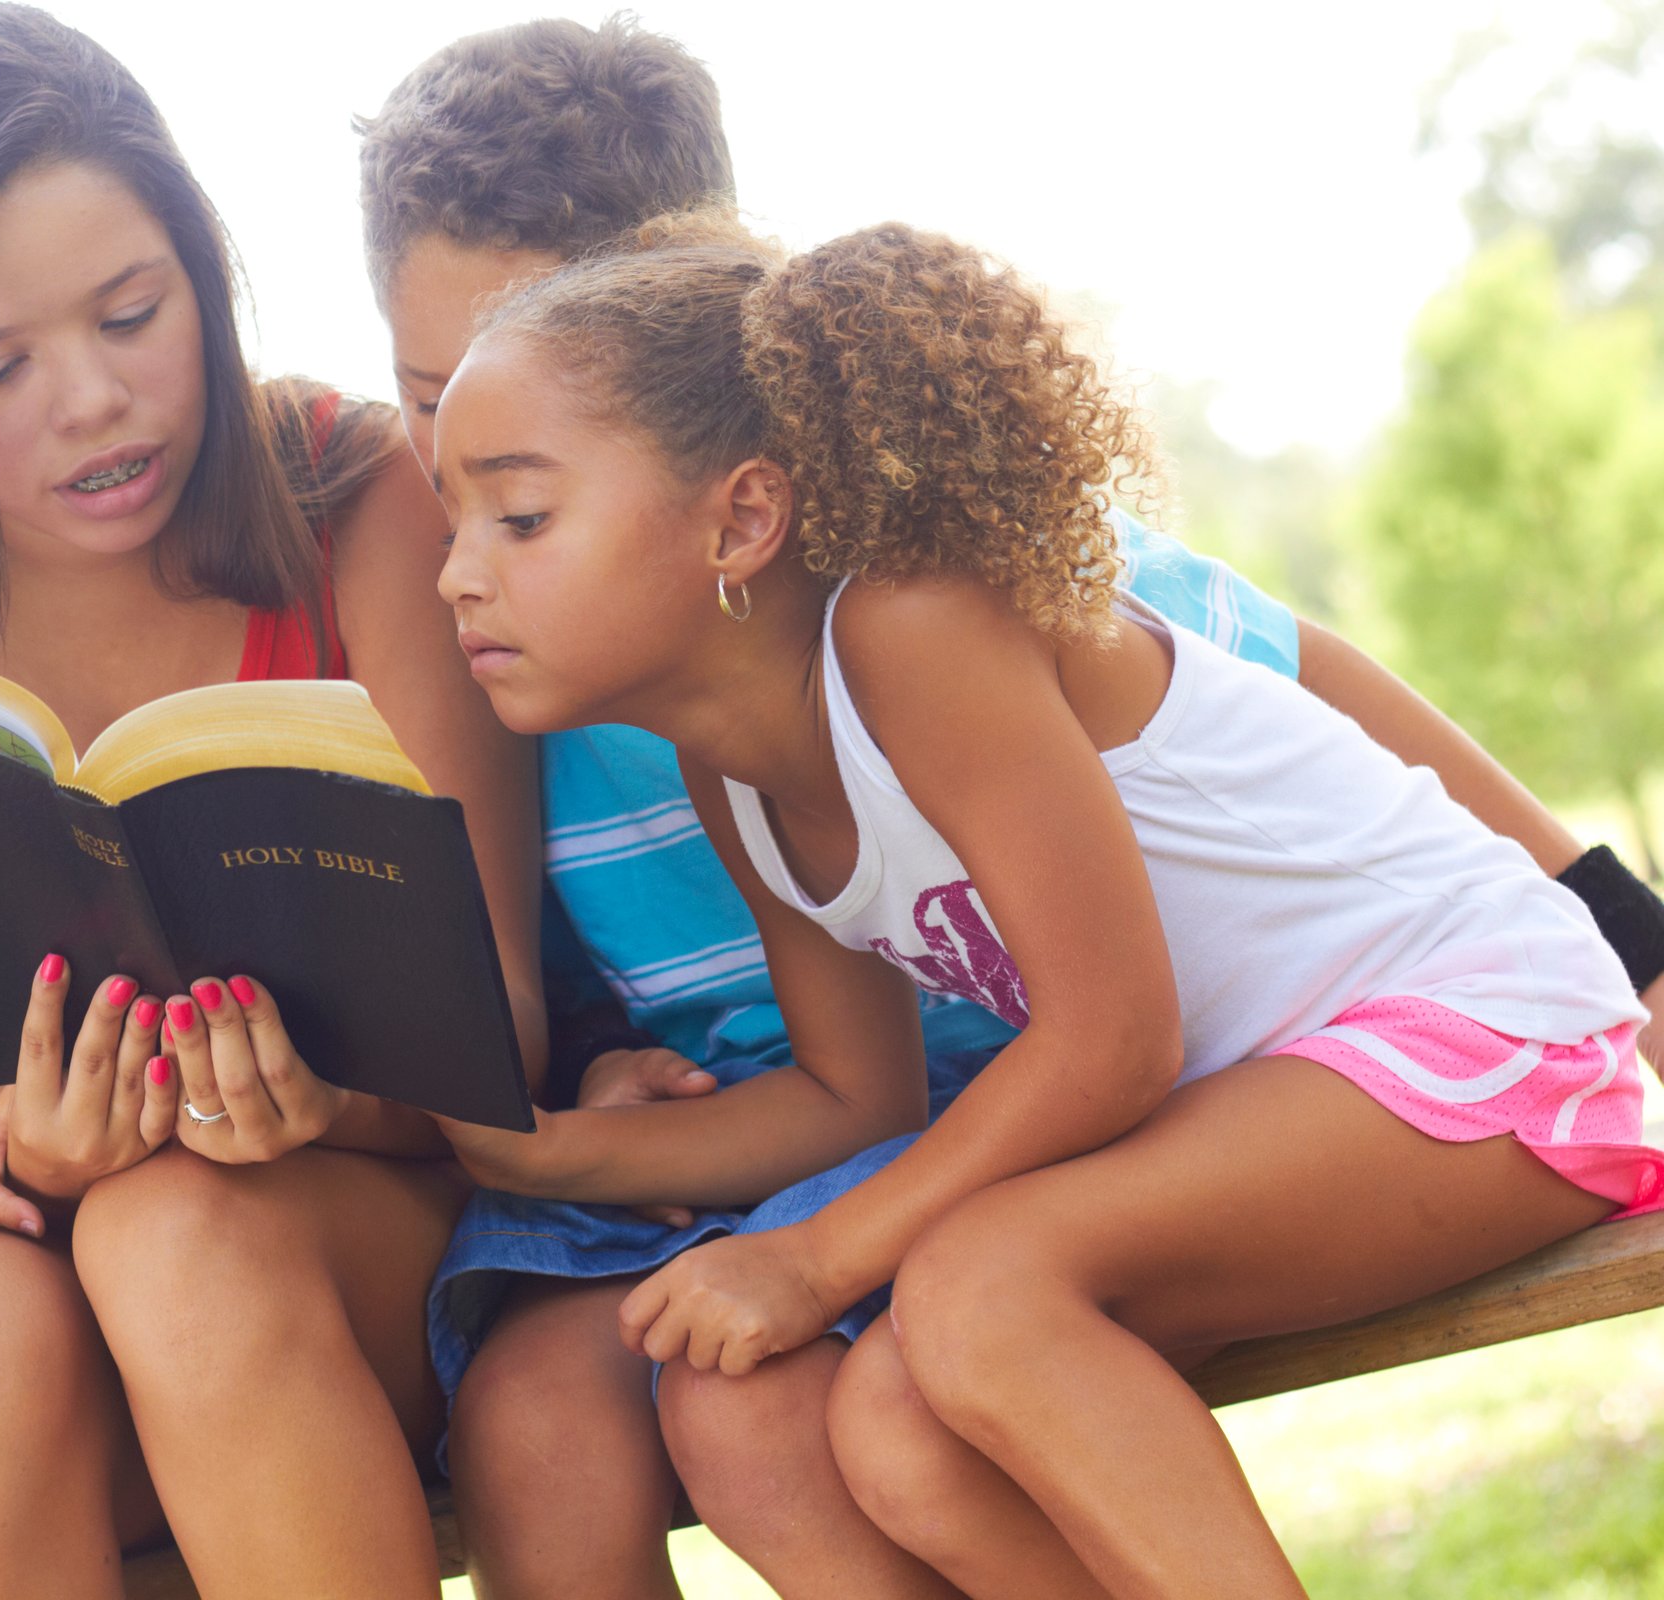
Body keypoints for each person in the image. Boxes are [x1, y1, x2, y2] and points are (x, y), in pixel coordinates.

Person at [359, 19, 1664, 1598]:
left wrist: (817, 1256)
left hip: (1480, 1033)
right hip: (1262, 1100)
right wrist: (534, 1157)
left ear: (740, 512)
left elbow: (1113, 1038)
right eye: (446, 493)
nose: (453, 571)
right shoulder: (736, 755)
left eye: (519, 508)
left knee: (977, 1294)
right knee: (896, 1426)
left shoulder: (917, 628)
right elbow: (861, 1103)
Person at [0, 8, 545, 1596]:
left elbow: (502, 1039)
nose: (97, 401)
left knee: (172, 1227)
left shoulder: (355, 496)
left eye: (136, 312)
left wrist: (312, 1105)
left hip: (385, 1253)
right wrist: (5, 1153)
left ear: (205, 270)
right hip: (53, 1314)